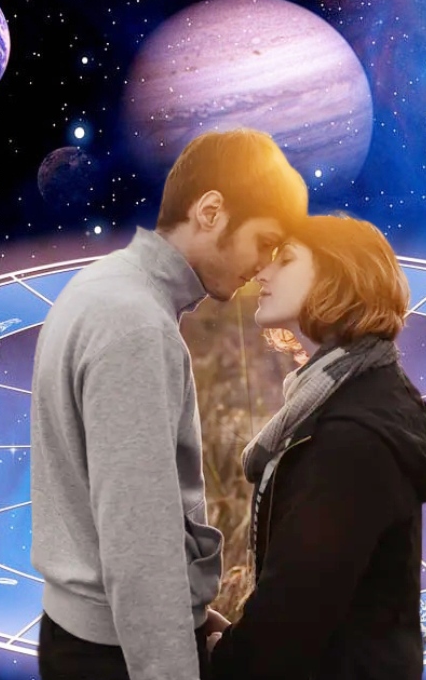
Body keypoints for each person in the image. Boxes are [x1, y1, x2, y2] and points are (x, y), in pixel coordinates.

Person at [30, 127, 309, 680]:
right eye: (263, 241)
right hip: (118, 655)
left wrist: (195, 617)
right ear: (210, 212)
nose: (263, 266)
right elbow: (140, 543)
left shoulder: (104, 285)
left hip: (94, 637)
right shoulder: (136, 326)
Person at [208, 213, 426, 680]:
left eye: (285, 259)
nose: (263, 270)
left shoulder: (351, 435)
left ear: (338, 276)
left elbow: (296, 611)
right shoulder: (355, 395)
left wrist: (227, 661)